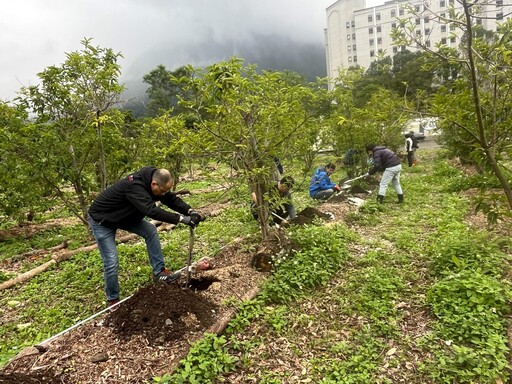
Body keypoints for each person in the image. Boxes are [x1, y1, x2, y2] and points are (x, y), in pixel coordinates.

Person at [88, 167, 204, 306]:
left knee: (150, 230)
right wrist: (181, 219)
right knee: (112, 261)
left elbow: (170, 199)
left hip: (125, 216)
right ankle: (112, 300)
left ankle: (159, 272)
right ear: (154, 184)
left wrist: (190, 211)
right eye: (162, 191)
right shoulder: (134, 186)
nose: (163, 194)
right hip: (103, 220)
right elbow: (151, 210)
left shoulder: (155, 182)